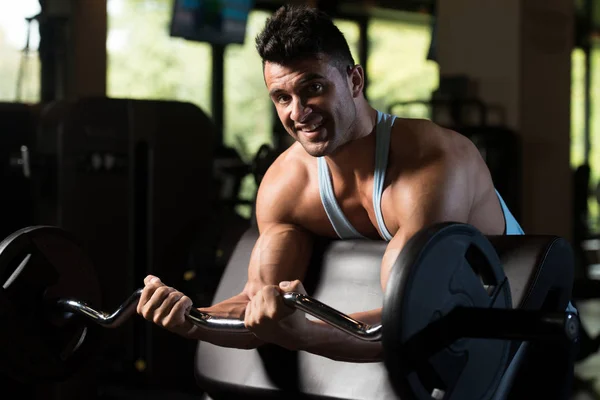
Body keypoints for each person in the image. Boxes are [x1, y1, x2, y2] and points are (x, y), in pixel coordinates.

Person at [136, 4, 524, 362]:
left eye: (314, 88)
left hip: (519, 329)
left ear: (354, 80)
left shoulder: (433, 164)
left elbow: (415, 315)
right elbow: (257, 303)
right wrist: (194, 320)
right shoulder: (286, 184)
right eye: (281, 97)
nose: (298, 113)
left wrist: (304, 334)